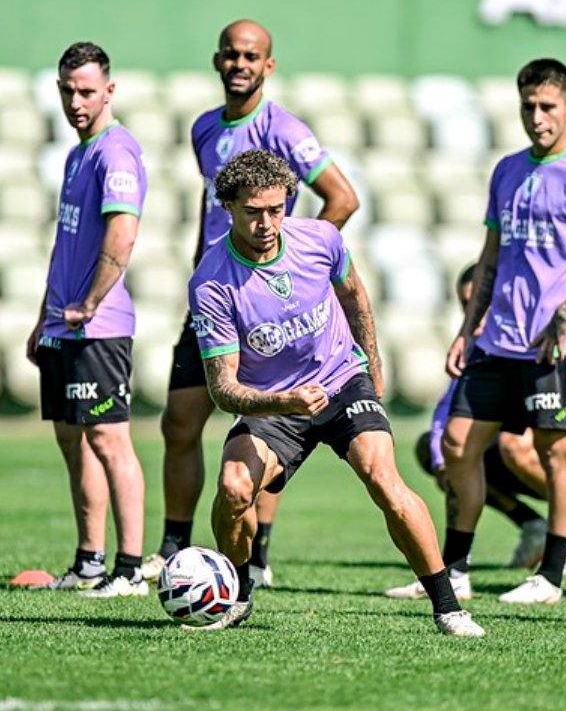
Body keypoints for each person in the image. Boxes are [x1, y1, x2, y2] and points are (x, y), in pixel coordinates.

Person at [184, 148, 482, 635]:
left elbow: (354, 296)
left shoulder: (321, 239)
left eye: (276, 209)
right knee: (234, 489)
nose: (266, 223)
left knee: (382, 477)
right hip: (274, 403)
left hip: (342, 380)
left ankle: (449, 608)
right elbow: (223, 388)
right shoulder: (211, 283)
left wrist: (373, 366)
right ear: (228, 207)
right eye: (253, 212)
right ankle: (238, 594)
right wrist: (284, 401)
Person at [143, 19, 360, 585]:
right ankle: (171, 546)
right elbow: (211, 207)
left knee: (265, 422)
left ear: (269, 65)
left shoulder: (284, 130)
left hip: (268, 303)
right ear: (218, 60)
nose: (240, 64)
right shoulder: (203, 129)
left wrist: (293, 268)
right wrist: (203, 264)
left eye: (251, 56)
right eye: (231, 54)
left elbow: (342, 198)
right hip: (219, 297)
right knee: (180, 419)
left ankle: (257, 555)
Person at [438, 59, 566, 606]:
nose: (538, 117)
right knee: (457, 444)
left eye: (548, 107)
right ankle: (455, 571)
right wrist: (466, 329)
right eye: (529, 106)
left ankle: (550, 577)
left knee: (556, 453)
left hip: (556, 345)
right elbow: (491, 256)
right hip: (498, 338)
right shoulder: (507, 170)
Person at [385, 265, 566, 600]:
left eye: (483, 303)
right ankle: (515, 535)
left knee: (513, 442)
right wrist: (444, 463)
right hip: (527, 447)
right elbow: (450, 412)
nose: (475, 315)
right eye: (467, 305)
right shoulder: (485, 349)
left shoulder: (527, 341)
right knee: (441, 448)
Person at [25, 42, 149, 597]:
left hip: (98, 327)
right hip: (63, 325)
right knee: (74, 443)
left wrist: (92, 303)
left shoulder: (116, 152)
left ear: (109, 91)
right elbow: (66, 246)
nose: (76, 102)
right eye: (67, 91)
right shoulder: (78, 154)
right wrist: (44, 318)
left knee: (109, 440)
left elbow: (123, 232)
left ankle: (129, 569)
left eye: (87, 91)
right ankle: (89, 562)